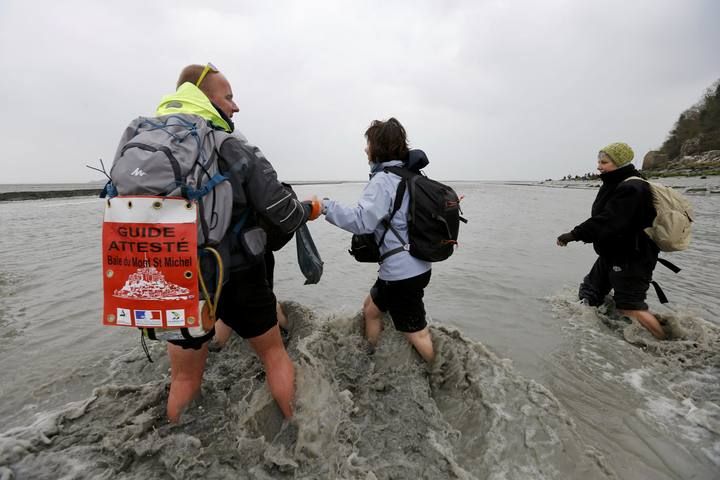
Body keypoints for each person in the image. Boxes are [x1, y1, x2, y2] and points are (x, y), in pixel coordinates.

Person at [160, 63, 322, 422]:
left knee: (184, 378)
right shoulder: (232, 146)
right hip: (236, 274)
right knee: (274, 356)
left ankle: (175, 447)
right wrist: (310, 209)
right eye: (229, 97)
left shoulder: (155, 151)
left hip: (175, 280)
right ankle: (301, 437)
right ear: (206, 100)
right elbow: (283, 212)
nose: (235, 107)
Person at [318, 118, 435, 362]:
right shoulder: (409, 174)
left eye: (368, 143)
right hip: (415, 265)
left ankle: (440, 374)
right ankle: (372, 356)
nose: (365, 149)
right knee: (371, 310)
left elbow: (362, 221)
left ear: (378, 147)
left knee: (417, 333)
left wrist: (325, 207)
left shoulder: (383, 180)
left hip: (402, 274)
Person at [556, 142, 666, 339]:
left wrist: (574, 234)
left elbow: (608, 221)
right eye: (599, 161)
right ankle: (597, 341)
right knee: (589, 295)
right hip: (612, 254)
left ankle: (667, 343)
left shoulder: (633, 187)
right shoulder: (615, 183)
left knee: (630, 307)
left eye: (604, 162)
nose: (599, 166)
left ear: (620, 163)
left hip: (632, 257)